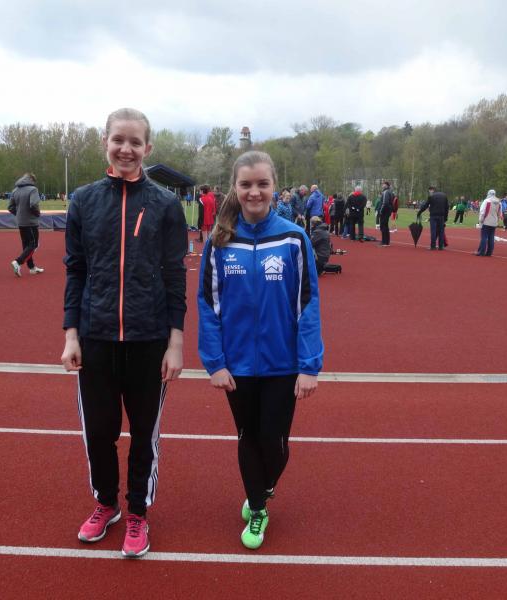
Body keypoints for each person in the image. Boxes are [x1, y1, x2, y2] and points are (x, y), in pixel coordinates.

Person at [62, 107, 187, 558]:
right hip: (95, 337)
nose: (126, 149)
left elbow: (175, 275)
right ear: (105, 142)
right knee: (99, 432)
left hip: (148, 339)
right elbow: (75, 270)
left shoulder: (165, 205)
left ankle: (137, 512)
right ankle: (106, 503)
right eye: (119, 139)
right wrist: (71, 334)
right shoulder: (83, 201)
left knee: (143, 433)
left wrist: (175, 343)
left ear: (147, 148)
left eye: (135, 142)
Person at [198, 150, 323, 551]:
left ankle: (262, 490)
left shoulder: (294, 238)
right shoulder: (219, 240)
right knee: (247, 437)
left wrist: (309, 365)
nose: (254, 192)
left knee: (275, 442)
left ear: (274, 187)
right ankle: (257, 506)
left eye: (262, 184)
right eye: (246, 184)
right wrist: (215, 362)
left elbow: (307, 304)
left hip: (282, 365)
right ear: (235, 188)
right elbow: (208, 304)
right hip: (236, 366)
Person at [8, 173, 44, 276]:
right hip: (31, 222)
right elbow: (33, 204)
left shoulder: (15, 190)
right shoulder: (33, 190)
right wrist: (37, 214)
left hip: (21, 222)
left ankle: (31, 267)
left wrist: (19, 214)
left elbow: (10, 207)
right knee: (34, 244)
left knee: (26, 245)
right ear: (32, 180)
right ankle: (18, 262)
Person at [476, 189, 502, 256]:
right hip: (494, 222)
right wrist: (497, 221)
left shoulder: (487, 201)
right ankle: (489, 252)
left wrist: (480, 220)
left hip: (486, 221)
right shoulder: (499, 202)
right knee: (491, 237)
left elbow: (482, 212)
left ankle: (481, 252)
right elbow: (499, 213)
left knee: (484, 237)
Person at [378, 181, 394, 246]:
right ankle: (387, 242)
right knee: (386, 226)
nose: (382, 185)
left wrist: (380, 211)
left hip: (384, 211)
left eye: (383, 184)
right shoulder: (390, 192)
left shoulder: (386, 192)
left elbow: (385, 203)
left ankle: (384, 242)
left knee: (383, 226)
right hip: (388, 211)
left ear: (386, 185)